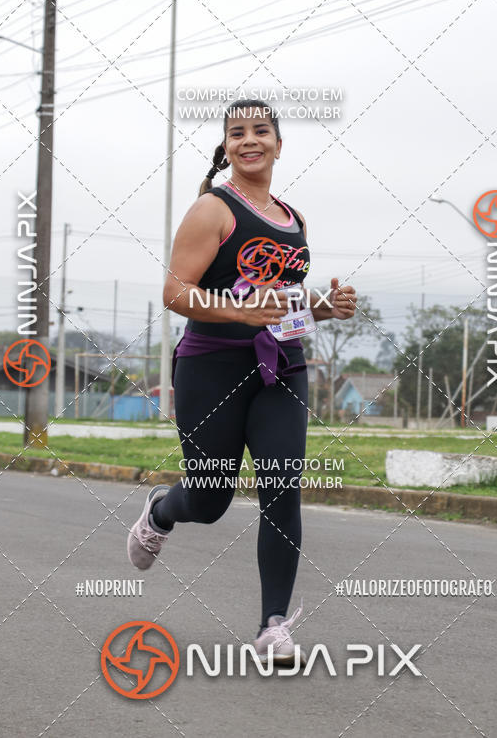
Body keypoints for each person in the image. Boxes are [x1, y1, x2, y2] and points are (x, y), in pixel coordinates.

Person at [127, 98, 356, 665]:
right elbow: (176, 293)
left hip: (282, 367)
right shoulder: (213, 209)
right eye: (236, 133)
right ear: (226, 146)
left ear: (279, 143)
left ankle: (273, 625)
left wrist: (319, 311)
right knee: (209, 500)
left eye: (260, 131)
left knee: (282, 487)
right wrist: (239, 312)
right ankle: (160, 511)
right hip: (211, 368)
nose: (249, 140)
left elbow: (282, 310)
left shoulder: (294, 219)